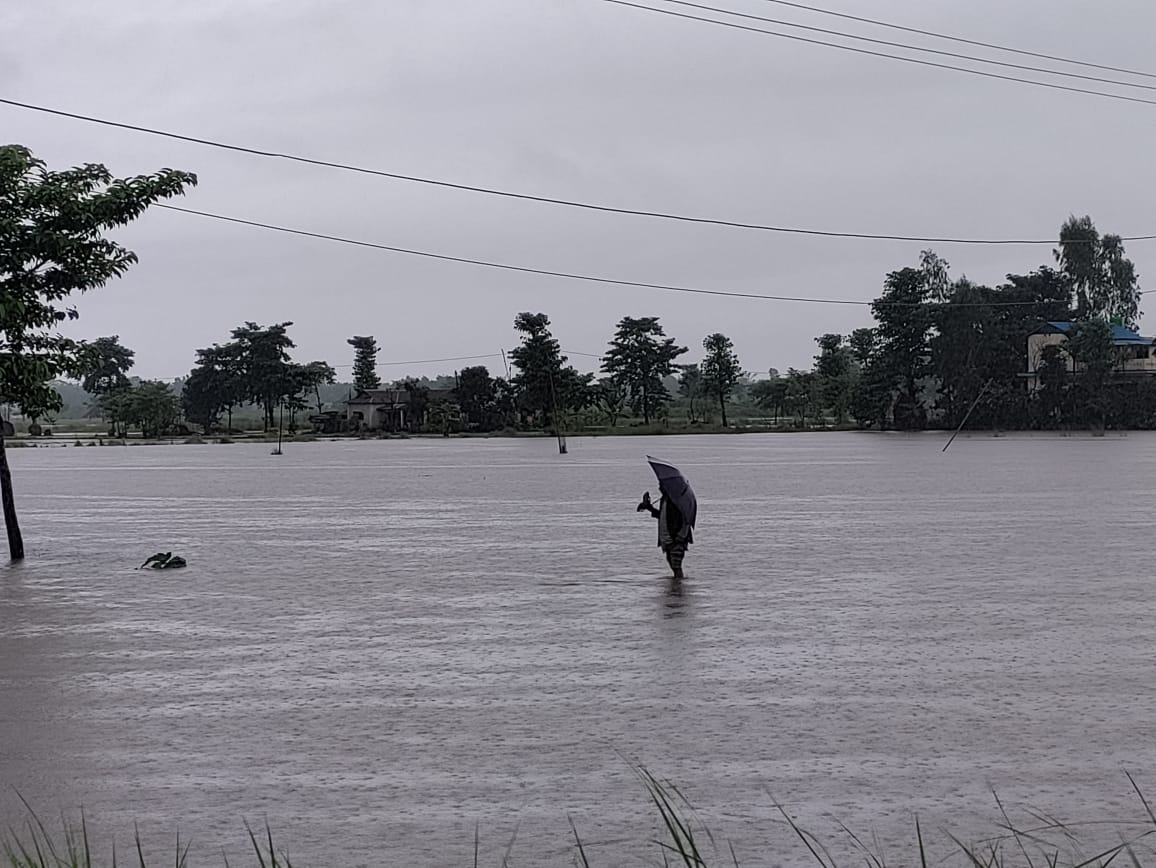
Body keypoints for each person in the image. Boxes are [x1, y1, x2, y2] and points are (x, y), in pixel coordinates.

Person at [637, 485, 693, 579]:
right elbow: (662, 516)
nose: (660, 488)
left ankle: (678, 587)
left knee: (676, 565)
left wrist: (680, 536)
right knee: (671, 562)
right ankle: (677, 586)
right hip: (667, 538)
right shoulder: (666, 499)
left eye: (662, 486)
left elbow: (686, 519)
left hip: (676, 538)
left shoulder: (677, 500)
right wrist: (648, 506)